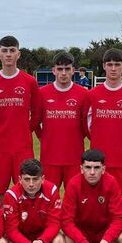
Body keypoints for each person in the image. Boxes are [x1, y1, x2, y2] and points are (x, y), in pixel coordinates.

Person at [0, 35, 41, 196]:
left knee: (26, 191)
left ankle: (23, 221)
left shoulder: (29, 81)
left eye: (12, 50)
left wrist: (23, 131)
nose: (8, 54)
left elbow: (36, 115)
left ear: (18, 54)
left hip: (22, 147)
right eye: (5, 51)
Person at [61, 149, 122, 243]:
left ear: (103, 169)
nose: (92, 172)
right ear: (81, 168)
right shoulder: (73, 184)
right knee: (66, 241)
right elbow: (66, 221)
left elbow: (120, 218)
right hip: (82, 233)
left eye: (96, 168)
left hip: (104, 233)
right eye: (88, 167)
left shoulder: (111, 183)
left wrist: (105, 241)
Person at [84, 48, 122, 203]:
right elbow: (87, 125)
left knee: (120, 202)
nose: (113, 68)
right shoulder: (93, 94)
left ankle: (120, 228)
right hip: (98, 161)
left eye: (117, 64)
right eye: (110, 64)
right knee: (98, 200)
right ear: (104, 66)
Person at [3, 159, 64, 243]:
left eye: (35, 179)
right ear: (19, 179)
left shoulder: (52, 190)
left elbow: (54, 223)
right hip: (20, 236)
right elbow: (11, 230)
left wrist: (41, 241)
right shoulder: (12, 195)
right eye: (27, 179)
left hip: (41, 236)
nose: (31, 184)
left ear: (42, 178)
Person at [34, 51, 88, 189]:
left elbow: (85, 125)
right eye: (59, 69)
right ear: (53, 71)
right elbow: (35, 122)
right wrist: (46, 138)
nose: (63, 73)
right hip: (50, 157)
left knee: (75, 199)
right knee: (48, 198)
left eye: (67, 69)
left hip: (74, 157)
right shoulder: (42, 93)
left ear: (73, 70)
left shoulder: (83, 94)